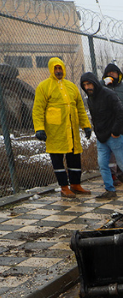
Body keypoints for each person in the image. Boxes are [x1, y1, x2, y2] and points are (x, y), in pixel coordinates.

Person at [32, 57, 93, 198]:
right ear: (51, 69)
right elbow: (38, 109)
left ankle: (76, 184)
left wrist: (86, 126)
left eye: (60, 68)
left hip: (72, 130)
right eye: (56, 68)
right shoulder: (44, 86)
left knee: (74, 158)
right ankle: (64, 187)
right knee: (57, 159)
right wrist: (39, 128)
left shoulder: (71, 86)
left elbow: (80, 108)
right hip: (54, 132)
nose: (58, 71)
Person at [79, 72, 123, 201]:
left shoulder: (108, 94)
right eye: (84, 85)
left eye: (89, 84)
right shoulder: (90, 99)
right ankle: (110, 190)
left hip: (115, 136)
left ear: (95, 83)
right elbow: (95, 118)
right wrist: (97, 132)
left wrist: (115, 131)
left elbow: (122, 112)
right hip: (102, 137)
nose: (87, 87)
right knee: (103, 164)